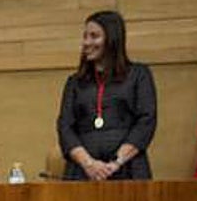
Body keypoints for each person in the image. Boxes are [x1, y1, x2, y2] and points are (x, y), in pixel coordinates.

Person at [57, 10, 157, 181]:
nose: (86, 42)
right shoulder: (74, 82)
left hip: (128, 170)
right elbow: (65, 127)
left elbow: (146, 121)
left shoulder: (139, 74)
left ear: (112, 39)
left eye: (94, 36)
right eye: (85, 36)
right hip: (83, 172)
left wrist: (116, 163)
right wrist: (89, 164)